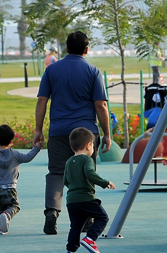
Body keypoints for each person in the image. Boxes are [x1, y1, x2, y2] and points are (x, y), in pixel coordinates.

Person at [32, 31, 111, 235]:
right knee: (86, 174)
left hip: (59, 130)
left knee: (57, 172)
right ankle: (86, 218)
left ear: (66, 48)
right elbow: (100, 104)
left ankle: (52, 211)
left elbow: (42, 100)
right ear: (87, 49)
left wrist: (38, 130)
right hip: (86, 132)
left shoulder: (52, 70)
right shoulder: (93, 71)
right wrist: (107, 133)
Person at [62, 127, 115, 253]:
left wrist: (74, 189)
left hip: (71, 201)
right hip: (86, 198)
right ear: (88, 145)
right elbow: (90, 174)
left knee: (75, 226)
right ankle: (90, 238)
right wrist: (105, 182)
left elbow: (65, 181)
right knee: (103, 217)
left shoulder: (68, 162)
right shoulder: (86, 159)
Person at [0, 124, 41, 235]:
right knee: (14, 206)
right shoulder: (15, 155)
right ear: (11, 140)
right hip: (10, 188)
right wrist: (36, 148)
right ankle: (7, 215)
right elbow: (28, 157)